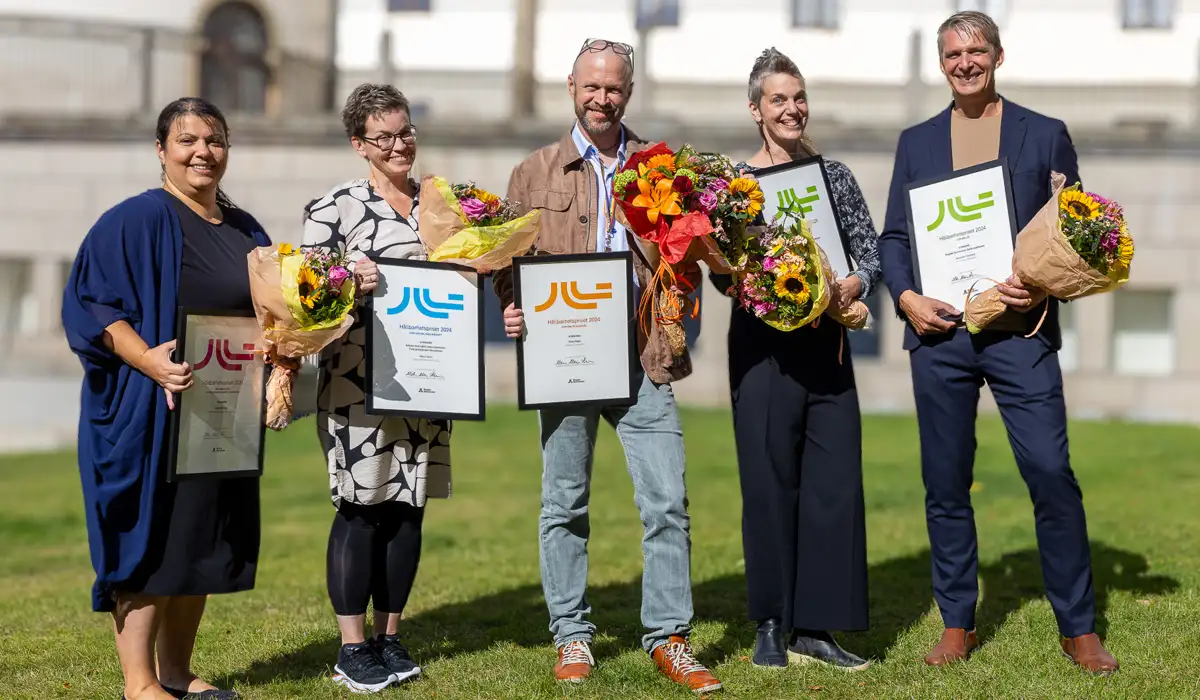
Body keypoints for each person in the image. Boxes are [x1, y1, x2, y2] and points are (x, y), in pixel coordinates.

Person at [878, 11, 1118, 674]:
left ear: (998, 55)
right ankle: (957, 623)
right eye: (952, 53)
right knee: (946, 483)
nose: (964, 62)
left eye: (975, 50)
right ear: (942, 62)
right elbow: (896, 237)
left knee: (1050, 472)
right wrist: (904, 298)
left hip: (1022, 334)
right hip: (941, 335)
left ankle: (1079, 627)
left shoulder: (1044, 135)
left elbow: (1077, 232)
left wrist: (1043, 288)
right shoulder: (917, 141)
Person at [490, 39, 721, 694]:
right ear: (571, 87)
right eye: (591, 87)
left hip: (644, 354)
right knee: (563, 501)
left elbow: (692, 252)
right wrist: (512, 309)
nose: (602, 98)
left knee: (667, 500)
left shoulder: (661, 171)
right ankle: (572, 634)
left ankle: (669, 637)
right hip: (563, 359)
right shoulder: (533, 173)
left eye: (614, 88)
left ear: (629, 91)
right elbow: (502, 263)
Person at [62, 97, 269, 700]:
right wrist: (148, 360)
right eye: (187, 141)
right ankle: (140, 684)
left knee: (199, 540)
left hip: (223, 409)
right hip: (152, 407)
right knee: (151, 538)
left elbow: (271, 306)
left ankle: (178, 673)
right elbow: (94, 306)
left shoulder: (245, 229)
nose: (202, 151)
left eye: (215, 139)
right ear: (162, 151)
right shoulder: (133, 221)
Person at [712, 47, 881, 670]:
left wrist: (853, 286)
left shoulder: (834, 176)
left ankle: (818, 627)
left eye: (799, 97)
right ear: (755, 110)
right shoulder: (731, 188)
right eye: (778, 99)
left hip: (827, 349)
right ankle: (770, 622)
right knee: (767, 484)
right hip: (761, 353)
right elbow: (724, 279)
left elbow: (870, 252)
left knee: (834, 487)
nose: (792, 108)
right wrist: (748, 273)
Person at [301, 83, 447, 694]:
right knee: (361, 510)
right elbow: (304, 303)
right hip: (356, 384)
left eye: (405, 132)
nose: (399, 145)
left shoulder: (441, 203)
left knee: (408, 509)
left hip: (429, 380)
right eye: (383, 137)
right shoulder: (332, 209)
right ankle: (351, 647)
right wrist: (346, 283)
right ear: (359, 145)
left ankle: (390, 635)